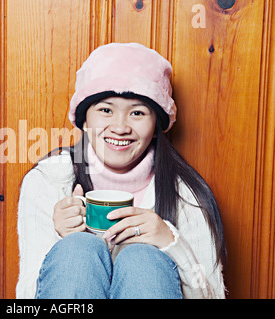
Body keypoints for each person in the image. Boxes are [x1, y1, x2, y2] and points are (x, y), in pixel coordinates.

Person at [16, 43, 227, 299]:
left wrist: (170, 242)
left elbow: (212, 295)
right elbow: (27, 295)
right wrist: (61, 244)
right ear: (84, 119)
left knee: (143, 259)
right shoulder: (49, 180)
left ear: (157, 125)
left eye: (137, 112)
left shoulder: (185, 194)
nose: (120, 127)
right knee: (78, 250)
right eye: (106, 110)